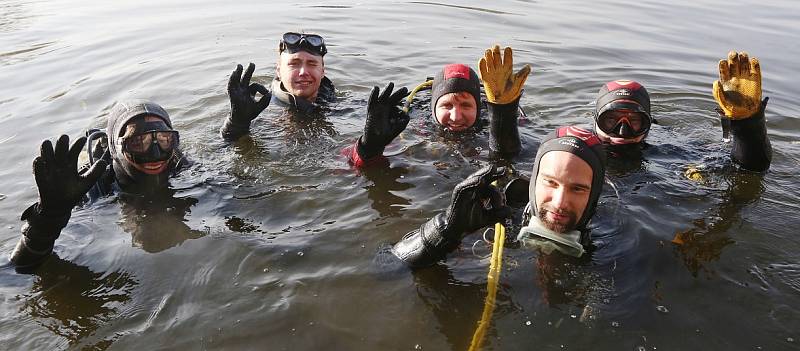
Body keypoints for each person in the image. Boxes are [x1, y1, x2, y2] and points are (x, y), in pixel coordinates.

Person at [9, 100, 188, 271]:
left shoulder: (181, 167)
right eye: (138, 143)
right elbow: (20, 269)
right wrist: (47, 222)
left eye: (165, 139)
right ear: (116, 148)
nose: (155, 154)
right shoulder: (89, 191)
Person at [390, 126, 605, 267]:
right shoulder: (497, 218)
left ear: (594, 193)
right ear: (533, 180)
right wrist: (448, 229)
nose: (559, 203)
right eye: (550, 182)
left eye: (578, 189)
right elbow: (390, 268)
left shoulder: (614, 239)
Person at [346, 45, 531, 168]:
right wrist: (368, 148)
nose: (456, 116)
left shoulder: (492, 128)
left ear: (479, 108)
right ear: (433, 108)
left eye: (466, 105)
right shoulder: (409, 129)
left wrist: (503, 116)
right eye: (447, 105)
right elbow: (345, 168)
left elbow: (515, 164)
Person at [592, 51, 771, 172]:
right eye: (610, 120)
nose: (623, 131)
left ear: (648, 124)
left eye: (634, 121)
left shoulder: (670, 151)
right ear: (595, 121)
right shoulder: (575, 147)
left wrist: (748, 125)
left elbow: (750, 168)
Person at [221, 32, 336, 141]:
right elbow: (219, 152)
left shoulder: (343, 108)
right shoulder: (264, 114)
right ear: (279, 71)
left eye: (312, 64)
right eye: (294, 64)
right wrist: (236, 125)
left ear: (322, 72)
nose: (303, 72)